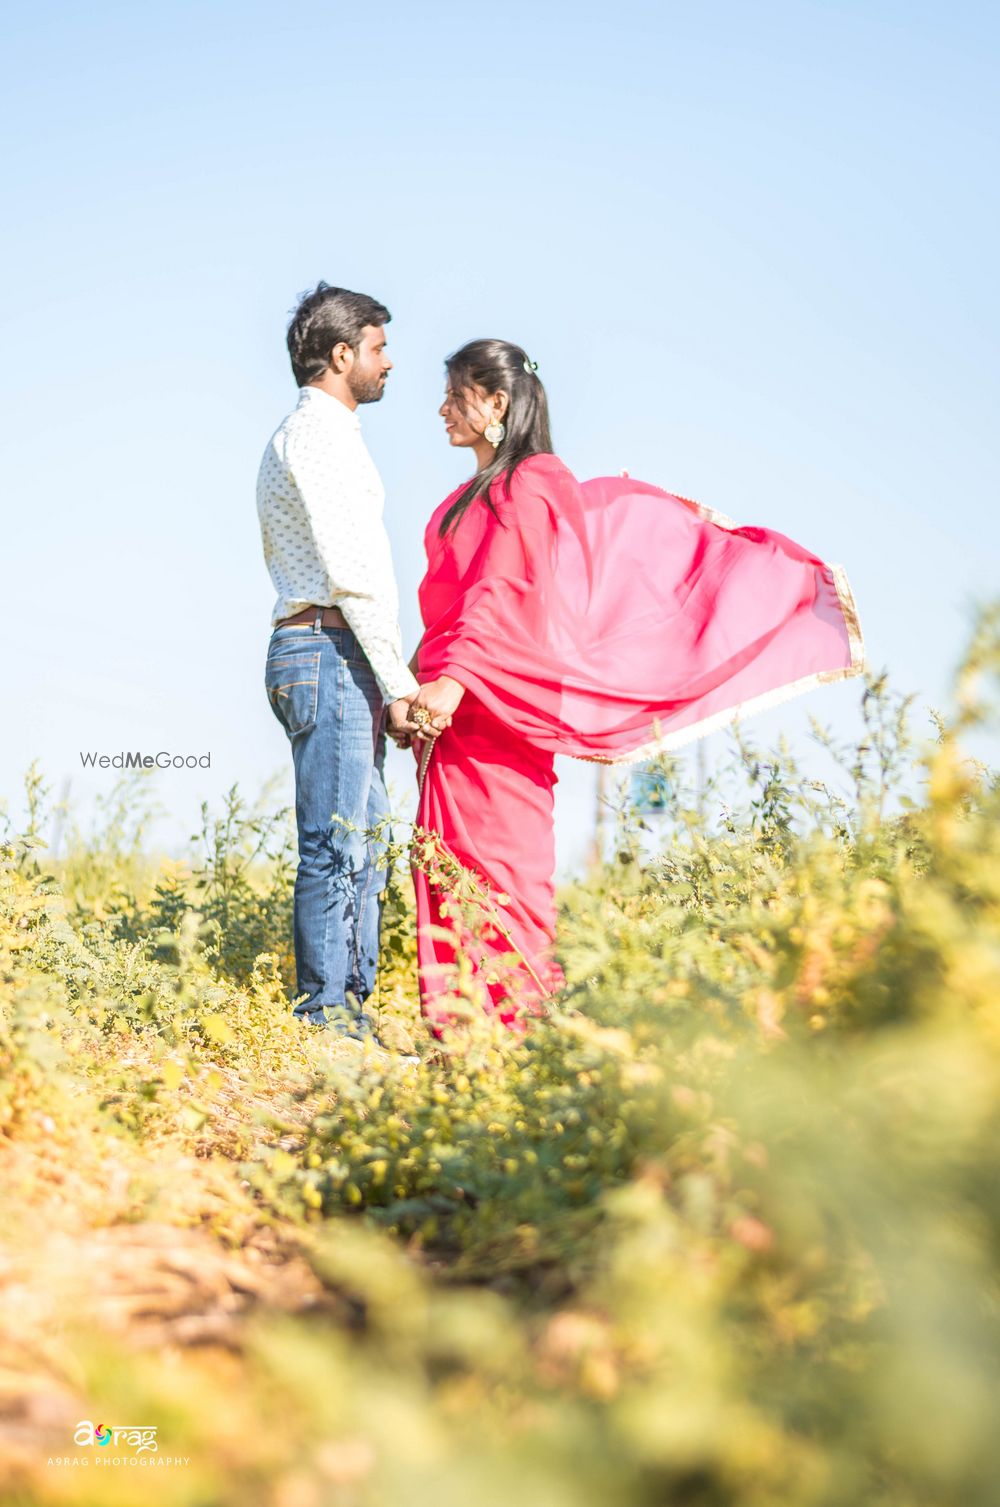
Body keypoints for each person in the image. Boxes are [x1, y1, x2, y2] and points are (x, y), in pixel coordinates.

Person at [406, 338, 865, 1038]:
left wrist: (455, 682)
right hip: (449, 715)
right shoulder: (459, 498)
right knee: (442, 872)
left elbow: (506, 593)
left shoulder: (531, 480)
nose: (441, 409)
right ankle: (455, 1048)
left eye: (455, 394)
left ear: (496, 401)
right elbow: (451, 605)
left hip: (499, 707)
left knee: (503, 879)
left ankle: (521, 1046)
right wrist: (412, 685)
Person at [256, 283, 432, 1042]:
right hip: (329, 647)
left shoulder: (322, 434)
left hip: (333, 649)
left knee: (362, 842)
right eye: (379, 347)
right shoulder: (320, 437)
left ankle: (351, 1009)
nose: (388, 362)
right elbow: (354, 571)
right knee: (336, 843)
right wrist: (398, 682)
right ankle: (329, 1022)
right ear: (341, 354)